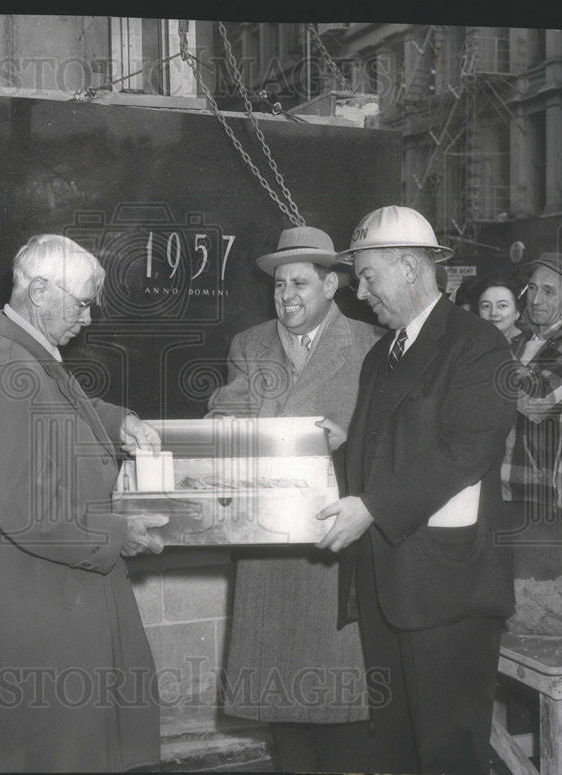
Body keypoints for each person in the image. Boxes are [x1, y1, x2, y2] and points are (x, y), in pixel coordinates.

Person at [317, 206, 516, 774]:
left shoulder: (477, 345)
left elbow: (465, 450)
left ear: (408, 266)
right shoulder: (383, 353)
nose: (359, 291)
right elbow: (395, 442)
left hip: (447, 592)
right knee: (399, 747)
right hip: (386, 582)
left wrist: (373, 507)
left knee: (448, 752)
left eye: (367, 275)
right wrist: (339, 447)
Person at [0, 234, 164, 772]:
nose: (89, 318)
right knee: (61, 747)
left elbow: (61, 407)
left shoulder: (24, 349)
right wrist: (119, 535)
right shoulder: (11, 368)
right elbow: (24, 506)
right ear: (40, 290)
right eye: (82, 303)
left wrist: (121, 422)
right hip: (46, 601)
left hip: (59, 588)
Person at [206, 226, 381, 772]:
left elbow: (389, 441)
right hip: (271, 541)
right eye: (279, 284)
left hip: (339, 537)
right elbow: (228, 412)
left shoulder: (371, 344)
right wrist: (219, 429)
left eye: (300, 283)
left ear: (332, 286)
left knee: (343, 697)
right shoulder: (249, 345)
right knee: (282, 694)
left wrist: (347, 443)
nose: (286, 295)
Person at [499, 252, 562, 581]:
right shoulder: (519, 344)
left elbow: (537, 403)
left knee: (534, 609)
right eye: (531, 288)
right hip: (496, 491)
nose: (535, 299)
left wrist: (488, 364)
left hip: (544, 500)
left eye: (548, 291)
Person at [475, 272, 525, 344]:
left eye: (502, 306)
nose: (493, 313)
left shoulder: (530, 347)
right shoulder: (473, 345)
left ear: (517, 311)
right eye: (486, 306)